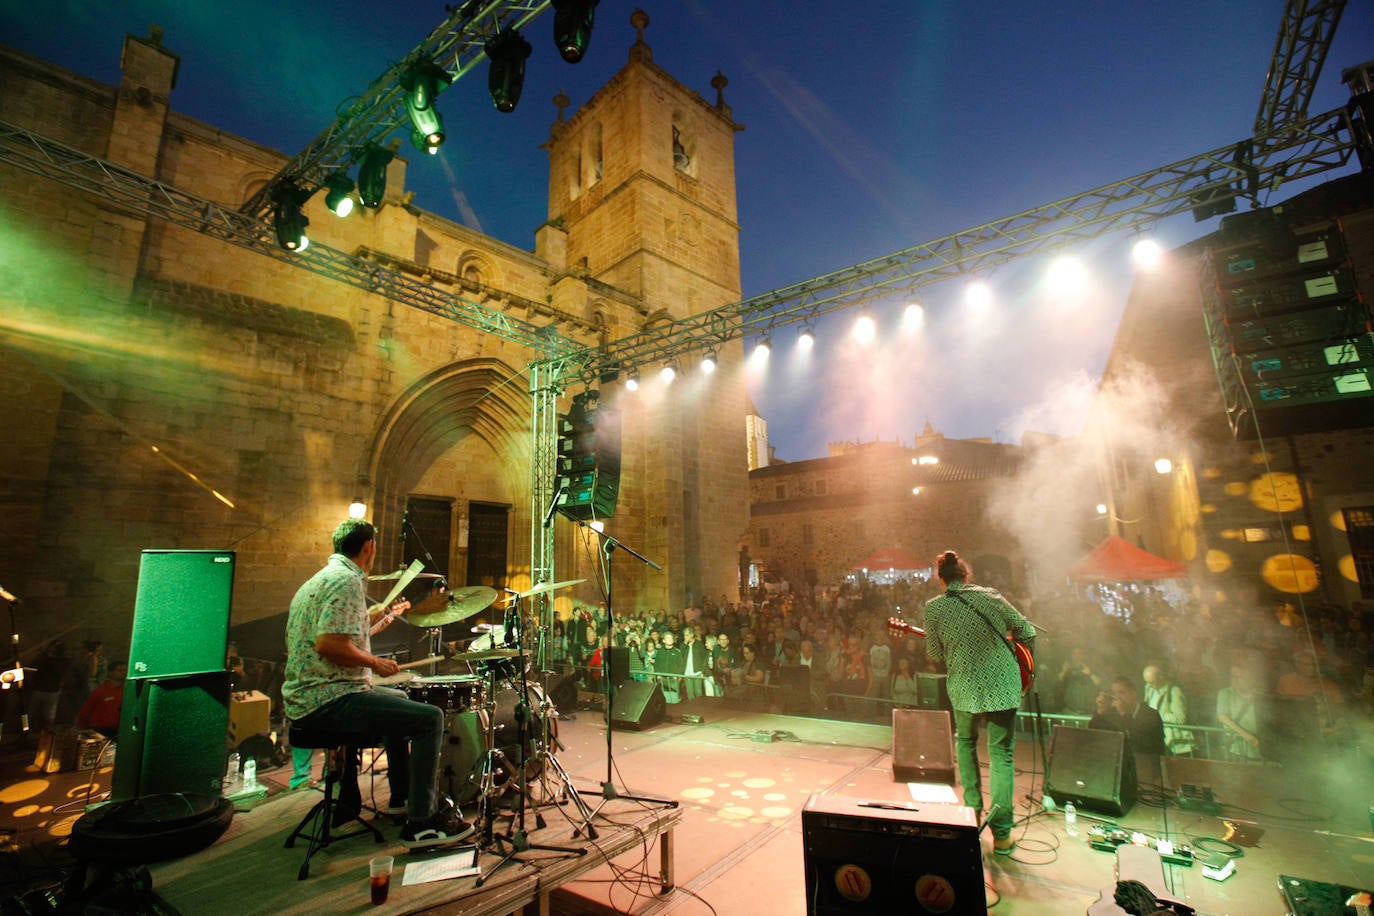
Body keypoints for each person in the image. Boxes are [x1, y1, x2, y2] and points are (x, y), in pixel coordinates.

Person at [282, 519, 473, 849]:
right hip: (330, 697)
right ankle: (422, 823)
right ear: (368, 547)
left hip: (310, 695)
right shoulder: (346, 582)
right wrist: (375, 663)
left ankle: (401, 797)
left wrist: (380, 617)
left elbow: (341, 635)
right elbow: (329, 644)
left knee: (400, 698)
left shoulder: (318, 580)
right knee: (429, 718)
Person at [917, 550, 1034, 855]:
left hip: (965, 686)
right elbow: (1027, 630)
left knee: (966, 744)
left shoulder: (934, 609)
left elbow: (936, 655)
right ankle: (1003, 836)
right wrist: (1009, 649)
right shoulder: (991, 596)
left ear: (940, 579)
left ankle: (970, 821)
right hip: (1003, 685)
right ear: (965, 575)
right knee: (1002, 757)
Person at [1089, 676, 1167, 756]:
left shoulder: (1150, 715)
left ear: (1133, 694)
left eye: (1121, 693)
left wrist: (1124, 714)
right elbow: (1093, 734)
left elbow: (1143, 742)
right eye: (1114, 693)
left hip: (1144, 763)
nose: (1117, 697)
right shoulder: (1112, 713)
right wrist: (1100, 710)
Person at [1142, 663, 1192, 755]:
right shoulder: (1150, 690)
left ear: (1161, 677)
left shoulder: (1174, 691)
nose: (1148, 685)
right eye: (1146, 682)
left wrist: (1157, 716)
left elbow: (1180, 718)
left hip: (1175, 745)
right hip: (1157, 741)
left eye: (1152, 682)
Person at [77, 660, 127, 737]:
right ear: (110, 673)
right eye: (120, 670)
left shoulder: (126, 691)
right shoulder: (101, 691)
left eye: (125, 670)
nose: (123, 673)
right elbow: (86, 711)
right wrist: (84, 730)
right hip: (101, 731)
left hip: (119, 731)